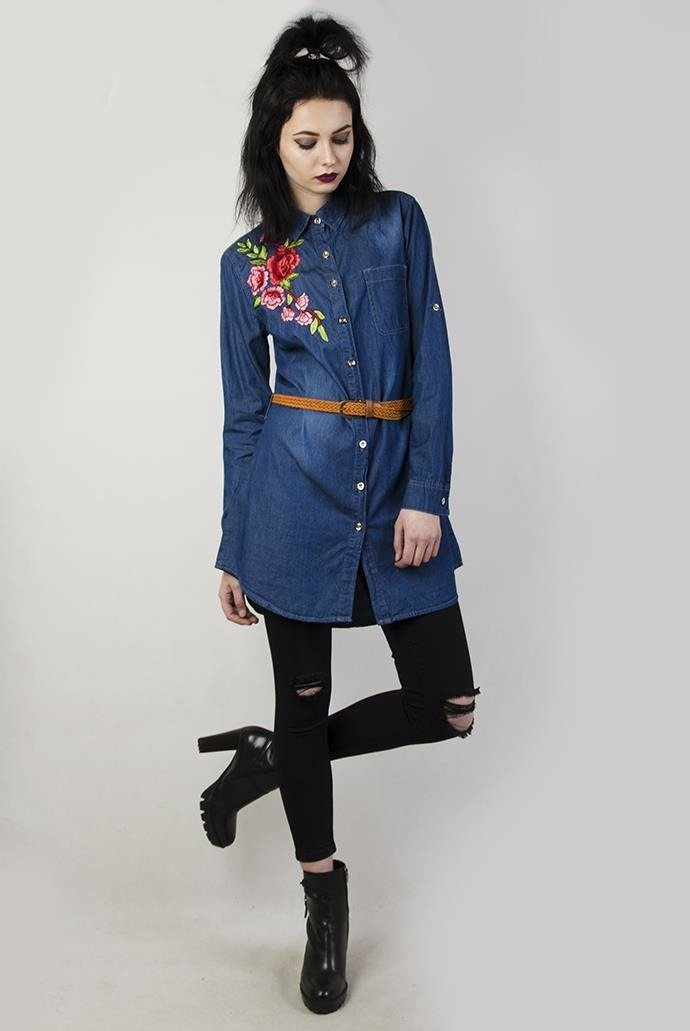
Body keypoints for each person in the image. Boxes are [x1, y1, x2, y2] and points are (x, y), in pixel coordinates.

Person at [197, 13, 482, 1015]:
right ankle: (323, 896)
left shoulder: (399, 223)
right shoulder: (246, 266)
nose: (328, 157)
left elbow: (433, 365)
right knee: (306, 694)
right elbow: (244, 415)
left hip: (396, 492)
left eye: (343, 137)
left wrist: (426, 493)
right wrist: (234, 545)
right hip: (291, 504)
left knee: (448, 704)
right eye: (307, 140)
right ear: (271, 146)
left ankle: (276, 751)